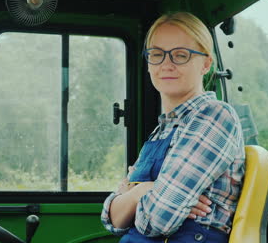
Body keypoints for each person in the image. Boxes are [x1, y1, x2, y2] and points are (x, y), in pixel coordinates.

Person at [101, 12, 245, 243]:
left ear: (206, 64)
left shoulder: (214, 117)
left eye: (180, 55)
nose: (166, 64)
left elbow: (157, 221)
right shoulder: (162, 130)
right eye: (156, 54)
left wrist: (131, 195)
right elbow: (112, 220)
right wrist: (144, 191)